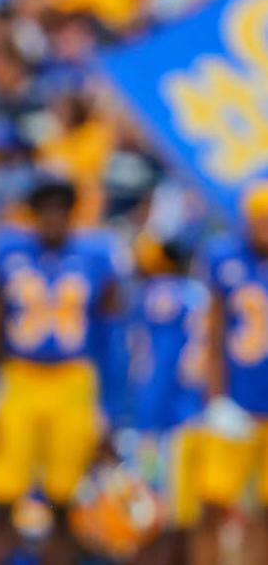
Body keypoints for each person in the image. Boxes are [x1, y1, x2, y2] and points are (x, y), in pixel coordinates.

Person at [0, 175, 124, 565]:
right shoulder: (9, 249)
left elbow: (110, 332)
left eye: (61, 208)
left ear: (73, 212)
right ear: (33, 213)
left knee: (64, 502)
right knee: (3, 497)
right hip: (22, 377)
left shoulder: (97, 254)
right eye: (45, 208)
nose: (53, 217)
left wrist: (109, 405)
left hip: (73, 379)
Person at [194, 181, 268, 565]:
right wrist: (216, 398)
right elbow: (213, 335)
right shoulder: (225, 258)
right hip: (236, 403)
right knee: (212, 502)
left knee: (265, 513)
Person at [128, 231, 209, 565]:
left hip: (164, 417)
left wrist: (147, 418)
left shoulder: (162, 293)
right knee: (181, 513)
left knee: (153, 513)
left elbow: (160, 365)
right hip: (192, 413)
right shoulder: (199, 294)